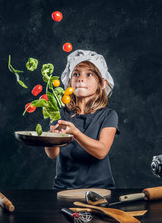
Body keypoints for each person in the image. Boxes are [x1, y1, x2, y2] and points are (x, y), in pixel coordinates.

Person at [45, 49, 120, 190]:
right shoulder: (59, 114)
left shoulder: (109, 115)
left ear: (102, 83)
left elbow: (101, 151)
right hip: (63, 189)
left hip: (100, 190)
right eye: (76, 74)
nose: (80, 78)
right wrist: (51, 138)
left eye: (89, 74)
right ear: (69, 82)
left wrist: (76, 133)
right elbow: (52, 154)